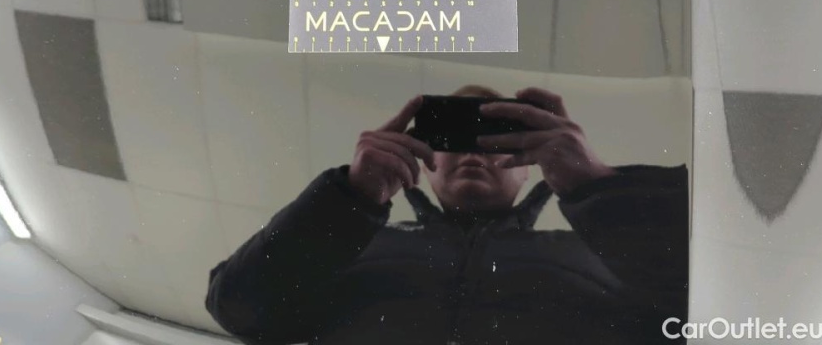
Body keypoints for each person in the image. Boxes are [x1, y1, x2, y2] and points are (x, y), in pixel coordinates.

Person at [206, 85, 688, 345]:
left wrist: (597, 185)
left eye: (495, 141)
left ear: (528, 170)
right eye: (454, 140)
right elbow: (239, 309)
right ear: (427, 163)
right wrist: (349, 197)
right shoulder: (351, 245)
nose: (472, 153)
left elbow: (703, 318)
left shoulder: (605, 252)